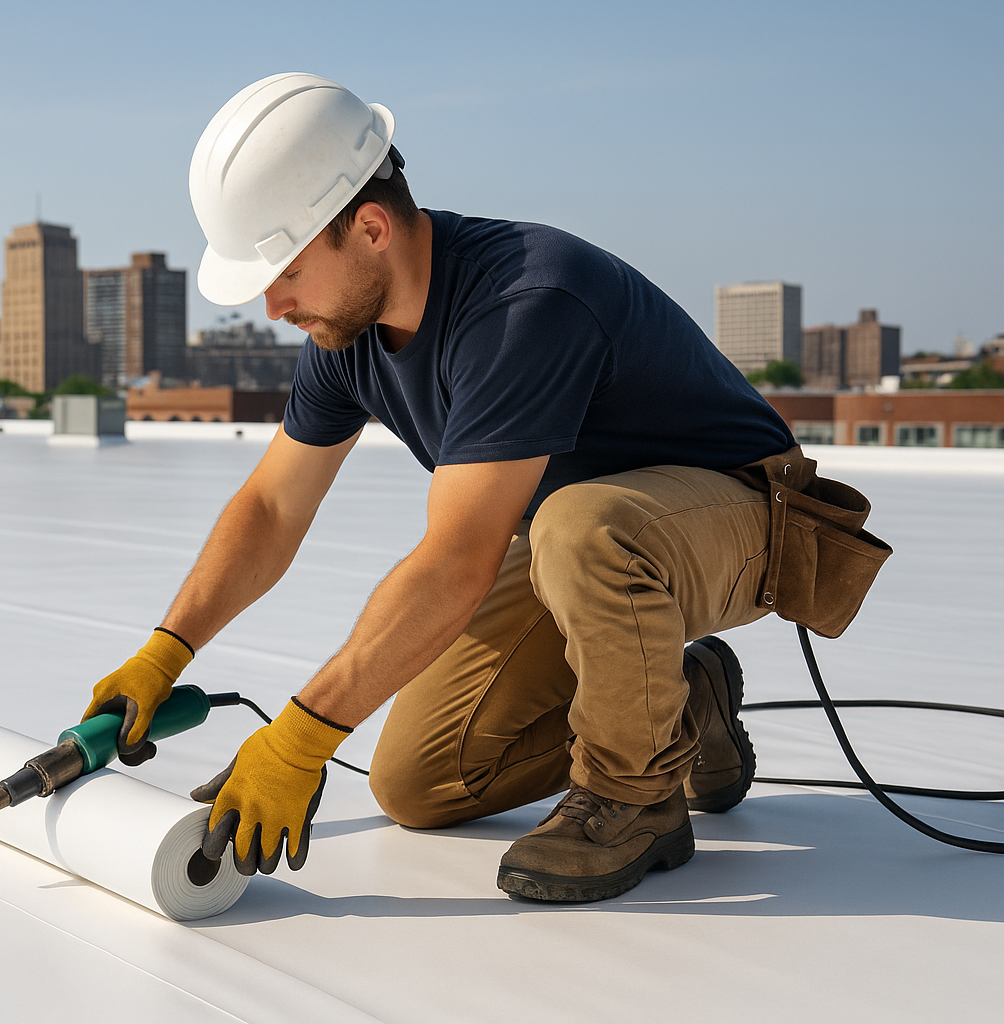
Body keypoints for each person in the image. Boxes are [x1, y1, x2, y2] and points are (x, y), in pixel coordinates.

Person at [82, 72, 797, 902]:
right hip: (588, 541)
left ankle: (636, 798)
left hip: (746, 516)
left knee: (577, 526)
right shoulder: (344, 338)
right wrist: (165, 651)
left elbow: (459, 557)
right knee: (421, 781)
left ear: (370, 227)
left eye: (284, 271)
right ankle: (684, 703)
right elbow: (273, 506)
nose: (274, 303)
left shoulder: (526, 301)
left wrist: (301, 734)